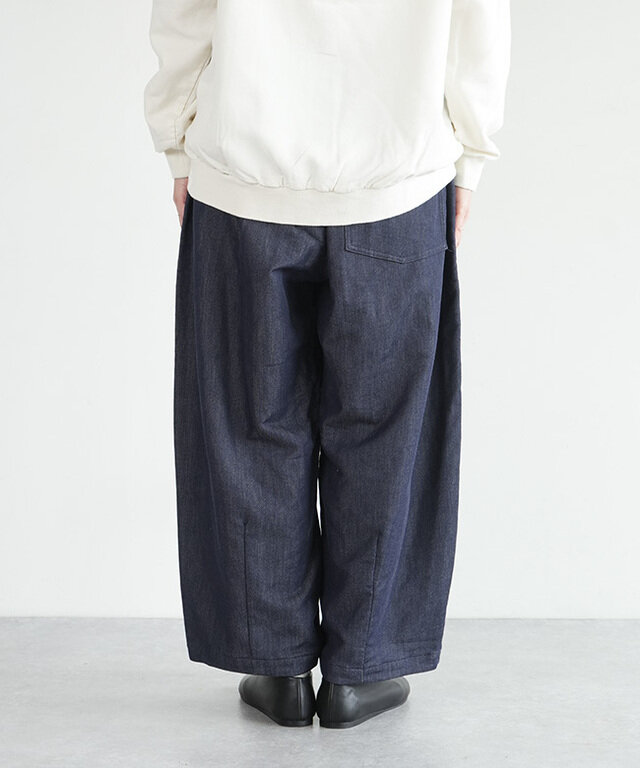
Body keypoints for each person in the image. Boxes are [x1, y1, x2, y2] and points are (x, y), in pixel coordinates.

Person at [144, 0, 510, 729]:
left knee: (248, 426)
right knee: (388, 433)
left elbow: (184, 11)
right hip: (399, 173)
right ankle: (360, 670)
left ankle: (276, 665)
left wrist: (177, 140)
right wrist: (470, 155)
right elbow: (479, 17)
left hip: (242, 169)